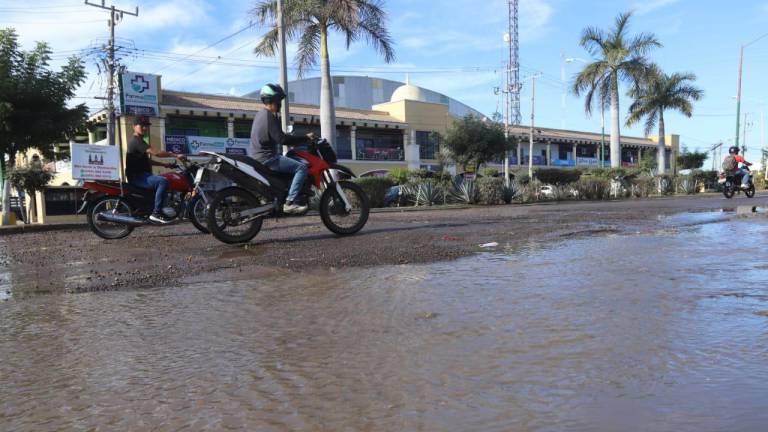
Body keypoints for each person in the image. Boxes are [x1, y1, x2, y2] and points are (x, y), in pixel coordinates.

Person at [251, 83, 316, 214]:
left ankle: (285, 195)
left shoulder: (260, 114)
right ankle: (290, 202)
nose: (280, 103)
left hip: (258, 158)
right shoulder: (270, 116)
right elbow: (281, 139)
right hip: (268, 159)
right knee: (301, 168)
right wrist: (305, 138)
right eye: (279, 100)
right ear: (273, 100)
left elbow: (277, 137)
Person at [126, 116, 186, 223]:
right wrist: (175, 155)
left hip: (142, 175)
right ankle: (157, 213)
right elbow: (157, 153)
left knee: (162, 180)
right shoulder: (136, 141)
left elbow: (147, 161)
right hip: (137, 177)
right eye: (142, 125)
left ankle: (159, 209)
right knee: (162, 181)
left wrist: (164, 165)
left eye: (146, 126)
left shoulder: (139, 141)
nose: (144, 128)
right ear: (134, 126)